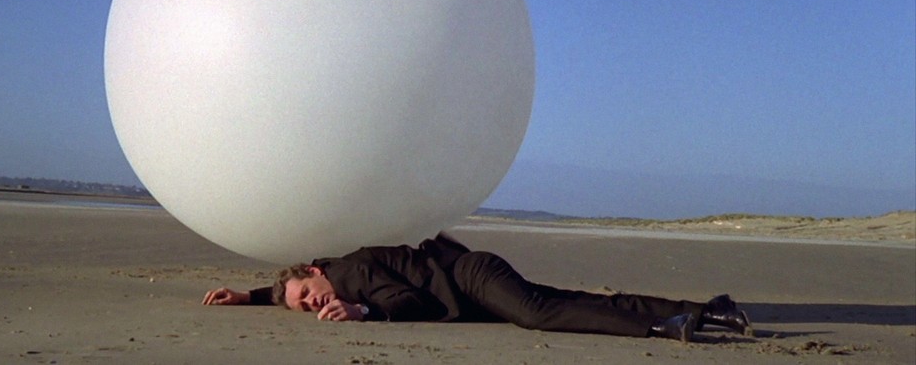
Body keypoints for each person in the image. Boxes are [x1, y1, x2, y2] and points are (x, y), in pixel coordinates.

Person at [202, 233, 751, 342]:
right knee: (568, 304)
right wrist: (249, 297)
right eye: (305, 308)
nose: (312, 303)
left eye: (308, 293)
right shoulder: (318, 283)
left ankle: (663, 325)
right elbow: (284, 292)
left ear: (314, 269)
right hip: (466, 287)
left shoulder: (347, 275)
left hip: (469, 276)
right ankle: (708, 311)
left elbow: (408, 301)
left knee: (539, 315)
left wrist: (362, 313)